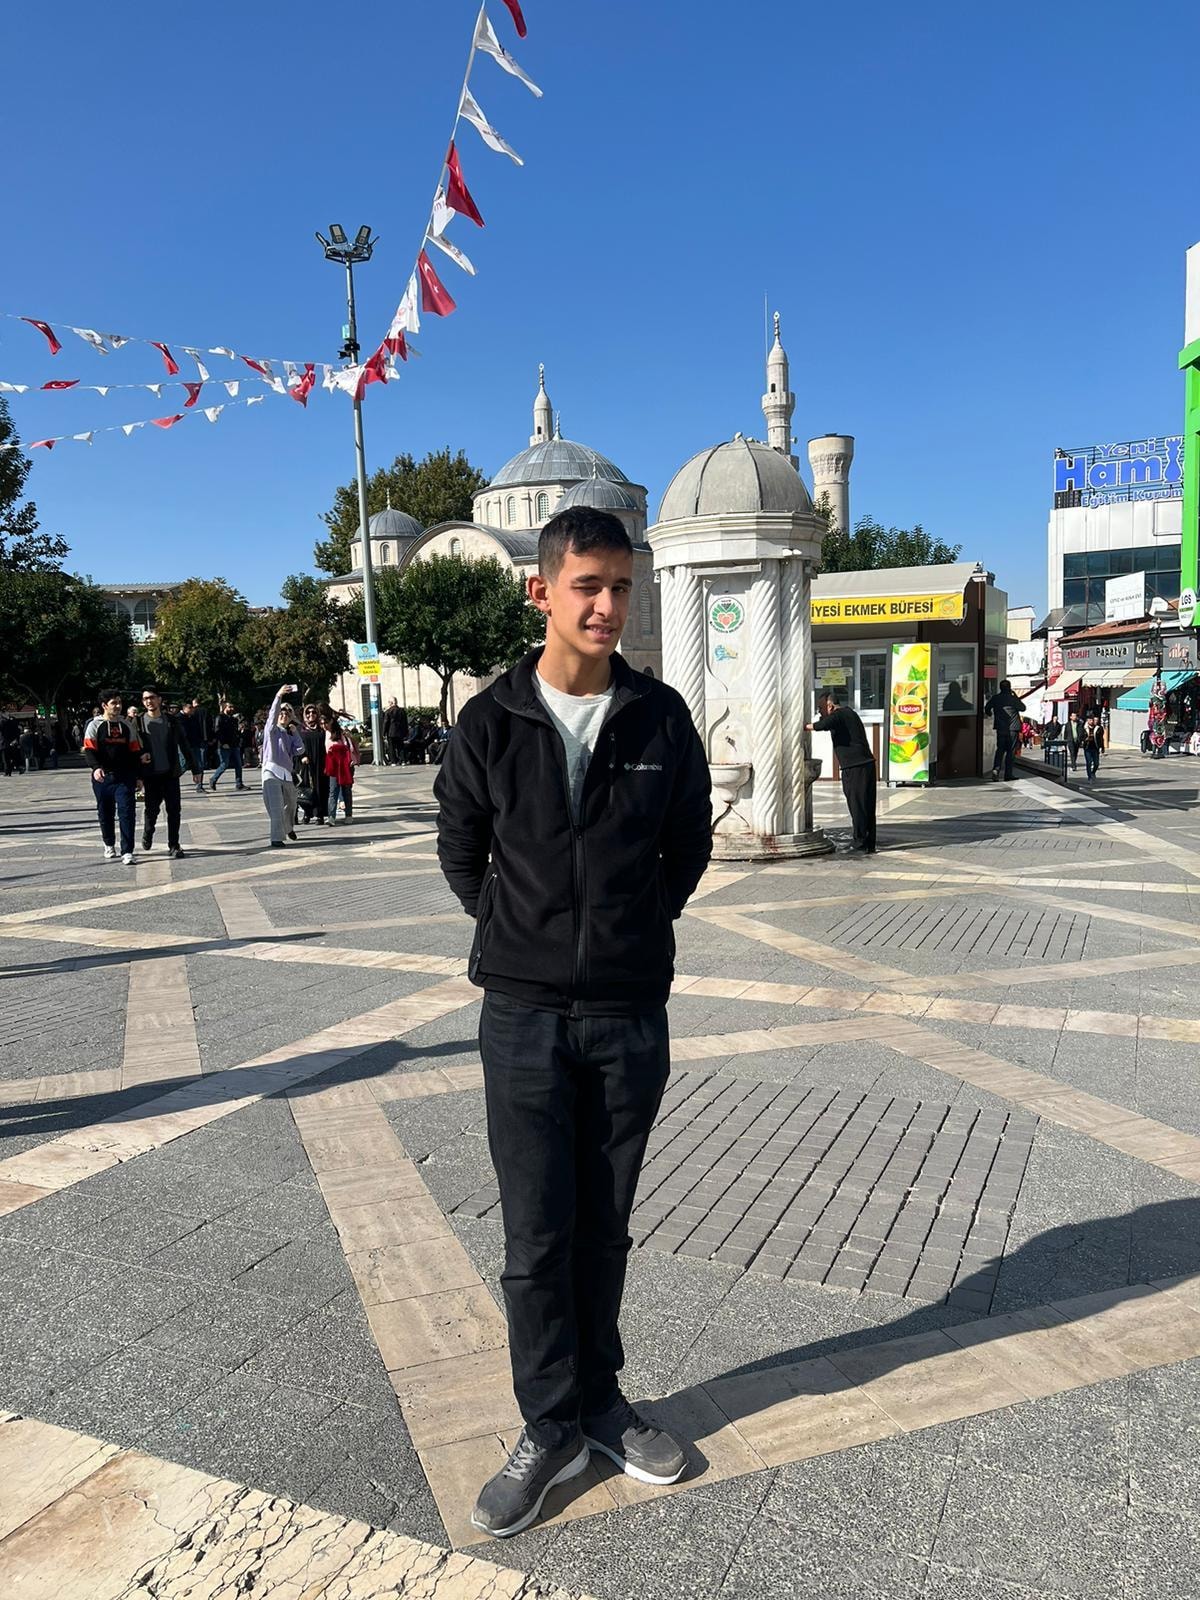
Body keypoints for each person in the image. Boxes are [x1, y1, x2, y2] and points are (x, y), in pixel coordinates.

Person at [434, 507, 712, 1539]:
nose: (607, 606)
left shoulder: (660, 717)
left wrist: (631, 925)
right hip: (523, 1016)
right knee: (536, 1232)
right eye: (588, 585)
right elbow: (461, 847)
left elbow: (688, 843)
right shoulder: (490, 720)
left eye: (622, 587)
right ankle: (547, 1424)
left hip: (629, 1012)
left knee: (605, 1222)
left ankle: (600, 1401)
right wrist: (523, 932)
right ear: (541, 591)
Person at [807, 689, 878, 853]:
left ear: (830, 706)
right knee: (866, 806)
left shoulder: (841, 714)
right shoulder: (848, 714)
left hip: (856, 768)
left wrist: (805, 727)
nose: (819, 711)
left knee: (858, 806)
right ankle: (868, 843)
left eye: (821, 708)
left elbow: (823, 725)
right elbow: (826, 722)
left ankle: (860, 843)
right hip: (863, 765)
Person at [136, 685, 197, 859]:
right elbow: (132, 748)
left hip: (170, 774)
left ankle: (174, 845)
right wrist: (137, 774)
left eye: (152, 697)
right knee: (152, 810)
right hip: (150, 775)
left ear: (159, 699)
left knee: (174, 810)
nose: (149, 701)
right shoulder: (138, 722)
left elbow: (184, 744)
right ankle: (148, 832)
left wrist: (195, 768)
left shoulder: (171, 721)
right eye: (145, 698)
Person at [83, 691, 142, 863]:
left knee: (127, 812)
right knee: (105, 812)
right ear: (104, 705)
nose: (117, 706)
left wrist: (138, 776)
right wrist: (96, 768)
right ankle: (109, 843)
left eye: (119, 702)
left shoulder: (126, 725)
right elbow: (89, 749)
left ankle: (127, 851)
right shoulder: (94, 725)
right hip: (103, 778)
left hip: (125, 777)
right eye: (113, 703)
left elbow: (134, 751)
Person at [260, 685, 304, 846]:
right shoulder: (271, 730)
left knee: (292, 803)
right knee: (276, 805)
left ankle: (288, 827)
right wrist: (278, 696)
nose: (284, 715)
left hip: (286, 773)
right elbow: (272, 715)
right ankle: (276, 838)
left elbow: (300, 750)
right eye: (282, 712)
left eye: (288, 713)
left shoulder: (289, 734)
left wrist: (295, 732)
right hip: (271, 770)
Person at [983, 679, 1025, 781]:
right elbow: (1023, 708)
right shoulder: (1013, 699)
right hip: (1013, 728)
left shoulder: (996, 698)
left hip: (1001, 728)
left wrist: (990, 714)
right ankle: (1008, 774)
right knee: (1011, 751)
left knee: (1000, 750)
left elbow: (987, 708)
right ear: (1009, 688)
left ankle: (996, 769)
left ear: (1000, 688)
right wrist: (1016, 696)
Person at [297, 703, 330, 824]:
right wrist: (302, 756)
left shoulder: (322, 728)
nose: (311, 714)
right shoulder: (300, 729)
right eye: (308, 712)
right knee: (307, 789)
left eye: (314, 712)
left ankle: (320, 814)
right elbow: (296, 745)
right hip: (306, 764)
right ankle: (307, 813)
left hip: (320, 764)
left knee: (320, 788)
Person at [324, 715, 356, 823]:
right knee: (333, 790)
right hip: (332, 764)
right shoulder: (324, 733)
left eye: (326, 723)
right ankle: (331, 817)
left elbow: (350, 747)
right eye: (322, 723)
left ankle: (349, 815)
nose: (324, 725)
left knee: (346, 790)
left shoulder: (340, 733)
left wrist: (351, 760)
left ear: (331, 722)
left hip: (344, 764)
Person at [210, 702, 246, 790]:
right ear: (224, 708)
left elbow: (235, 732)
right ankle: (213, 779)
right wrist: (223, 743)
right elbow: (217, 731)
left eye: (232, 707)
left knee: (238, 764)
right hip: (224, 746)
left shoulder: (233, 719)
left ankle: (239, 784)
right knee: (224, 764)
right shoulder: (220, 717)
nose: (232, 709)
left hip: (234, 745)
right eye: (230, 707)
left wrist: (239, 733)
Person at [179, 699, 210, 797]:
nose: (192, 710)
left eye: (193, 708)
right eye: (190, 708)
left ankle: (199, 786)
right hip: (185, 746)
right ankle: (169, 782)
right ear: (184, 708)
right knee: (183, 765)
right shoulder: (178, 718)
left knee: (199, 765)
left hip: (196, 744)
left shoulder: (192, 717)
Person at [383, 698, 409, 765]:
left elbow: (386, 722)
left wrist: (383, 732)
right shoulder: (402, 711)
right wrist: (406, 732)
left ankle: (393, 761)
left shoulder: (388, 711)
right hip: (400, 732)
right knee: (400, 746)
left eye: (389, 702)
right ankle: (403, 760)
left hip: (391, 732)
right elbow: (405, 722)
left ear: (391, 703)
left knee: (391, 747)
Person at [1081, 713, 1104, 782]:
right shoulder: (1084, 728)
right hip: (1087, 748)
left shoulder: (1098, 728)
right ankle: (1089, 777)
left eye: (1092, 720)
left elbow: (1101, 738)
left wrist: (1102, 747)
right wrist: (1084, 740)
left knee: (1096, 763)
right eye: (1090, 720)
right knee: (1089, 762)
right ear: (1087, 721)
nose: (1091, 721)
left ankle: (1093, 772)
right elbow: (1080, 737)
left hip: (1095, 748)